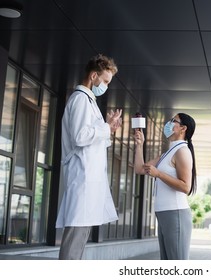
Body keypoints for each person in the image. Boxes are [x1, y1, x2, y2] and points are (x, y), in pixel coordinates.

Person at [56, 54, 122, 260]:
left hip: (88, 180)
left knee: (80, 238)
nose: (106, 87)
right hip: (82, 179)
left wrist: (108, 129)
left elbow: (93, 139)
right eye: (105, 81)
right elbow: (80, 136)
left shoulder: (88, 102)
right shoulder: (81, 100)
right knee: (75, 239)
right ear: (94, 76)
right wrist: (105, 128)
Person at [134, 113, 197, 260]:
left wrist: (159, 174)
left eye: (173, 121)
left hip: (175, 213)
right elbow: (140, 169)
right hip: (163, 213)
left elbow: (186, 187)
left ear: (183, 128)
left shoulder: (182, 151)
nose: (168, 124)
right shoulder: (167, 153)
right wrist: (139, 144)